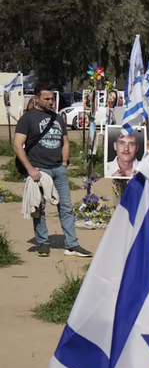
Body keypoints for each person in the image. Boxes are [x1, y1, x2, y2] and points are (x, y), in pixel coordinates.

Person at [12, 86, 91, 257]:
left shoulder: (57, 118)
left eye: (52, 99)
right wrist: (30, 169)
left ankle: (72, 245)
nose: (50, 102)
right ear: (36, 98)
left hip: (58, 169)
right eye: (46, 99)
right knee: (39, 208)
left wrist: (64, 162)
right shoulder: (27, 119)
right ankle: (42, 243)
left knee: (66, 208)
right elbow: (17, 146)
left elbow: (66, 142)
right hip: (39, 171)